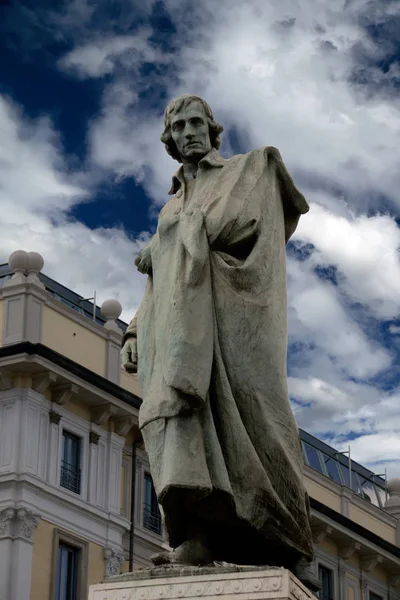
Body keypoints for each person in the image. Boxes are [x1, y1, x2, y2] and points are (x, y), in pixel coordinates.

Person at [121, 95, 318, 590]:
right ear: (169, 139)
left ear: (212, 129)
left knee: (257, 419)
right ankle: (196, 534)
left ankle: (289, 538)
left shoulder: (244, 173)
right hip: (174, 330)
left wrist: (162, 245)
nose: (188, 132)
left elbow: (238, 226)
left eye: (196, 123)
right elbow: (159, 284)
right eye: (178, 126)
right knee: (176, 419)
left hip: (231, 325)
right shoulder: (172, 204)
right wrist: (134, 328)